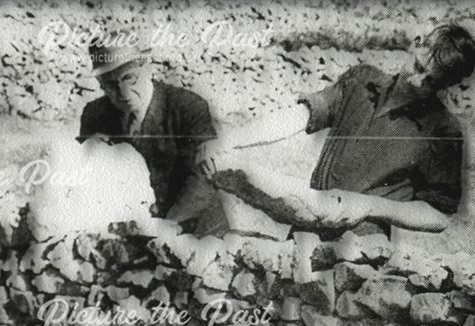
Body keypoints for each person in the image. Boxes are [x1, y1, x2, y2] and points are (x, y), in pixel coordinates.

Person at [197, 24, 475, 235]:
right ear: (416, 44)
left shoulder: (443, 130)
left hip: (359, 249)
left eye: (431, 82)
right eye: (417, 66)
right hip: (305, 227)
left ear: (447, 84)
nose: (416, 81)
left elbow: (439, 214)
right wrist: (228, 141)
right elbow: (297, 117)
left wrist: (369, 206)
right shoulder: (361, 81)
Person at [78, 37, 228, 236]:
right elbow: (86, 180)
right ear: (100, 84)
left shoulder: (188, 106)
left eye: (129, 77)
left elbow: (203, 177)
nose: (123, 93)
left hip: (194, 227)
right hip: (135, 229)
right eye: (111, 84)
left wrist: (167, 225)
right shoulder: (95, 114)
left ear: (147, 68)